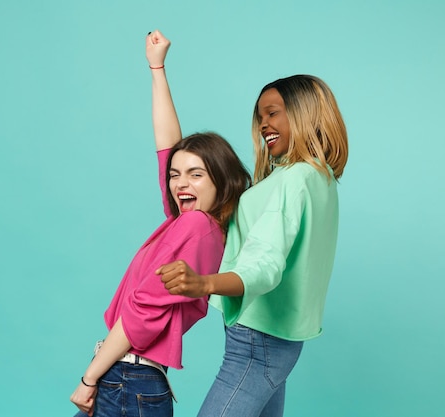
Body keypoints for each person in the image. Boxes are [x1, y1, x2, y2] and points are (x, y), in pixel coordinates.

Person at [70, 30, 251, 417]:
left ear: (222, 179)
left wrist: (89, 379)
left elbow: (141, 313)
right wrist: (157, 68)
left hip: (126, 379)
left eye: (196, 175)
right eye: (175, 175)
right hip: (129, 379)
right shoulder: (190, 225)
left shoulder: (195, 227)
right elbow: (168, 145)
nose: (180, 182)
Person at [157, 74, 349, 416]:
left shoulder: (294, 179)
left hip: (257, 342)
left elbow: (265, 265)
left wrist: (204, 283)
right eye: (260, 116)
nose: (264, 124)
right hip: (277, 340)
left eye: (273, 113)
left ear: (303, 113)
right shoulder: (320, 179)